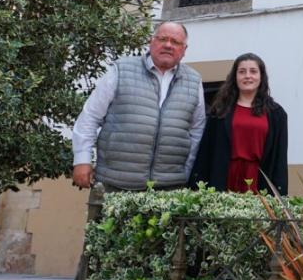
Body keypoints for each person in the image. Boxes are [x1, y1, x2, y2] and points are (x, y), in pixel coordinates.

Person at [71, 21, 205, 191]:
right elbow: (90, 116)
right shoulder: (121, 69)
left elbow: (196, 131)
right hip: (116, 184)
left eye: (176, 42)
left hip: (168, 189)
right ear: (151, 41)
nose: (168, 45)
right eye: (163, 39)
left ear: (184, 50)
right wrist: (82, 160)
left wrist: (185, 172)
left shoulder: (194, 81)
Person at [189, 53, 288, 195]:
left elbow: (279, 159)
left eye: (253, 71)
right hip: (224, 177)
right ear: (235, 77)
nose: (247, 76)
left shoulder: (276, 114)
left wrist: (280, 194)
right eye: (242, 72)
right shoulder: (220, 111)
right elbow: (206, 151)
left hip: (259, 180)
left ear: (261, 76)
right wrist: (197, 186)